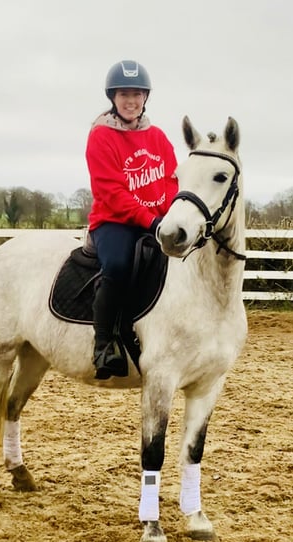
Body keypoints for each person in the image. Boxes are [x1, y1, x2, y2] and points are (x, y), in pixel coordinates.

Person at [85, 59, 178, 379]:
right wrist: (150, 221)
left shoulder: (158, 137)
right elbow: (112, 192)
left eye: (137, 94)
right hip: (114, 222)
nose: (131, 100)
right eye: (124, 94)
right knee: (119, 266)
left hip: (156, 220)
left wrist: (165, 216)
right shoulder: (101, 136)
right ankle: (103, 344)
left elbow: (170, 181)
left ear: (146, 97)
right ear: (112, 97)